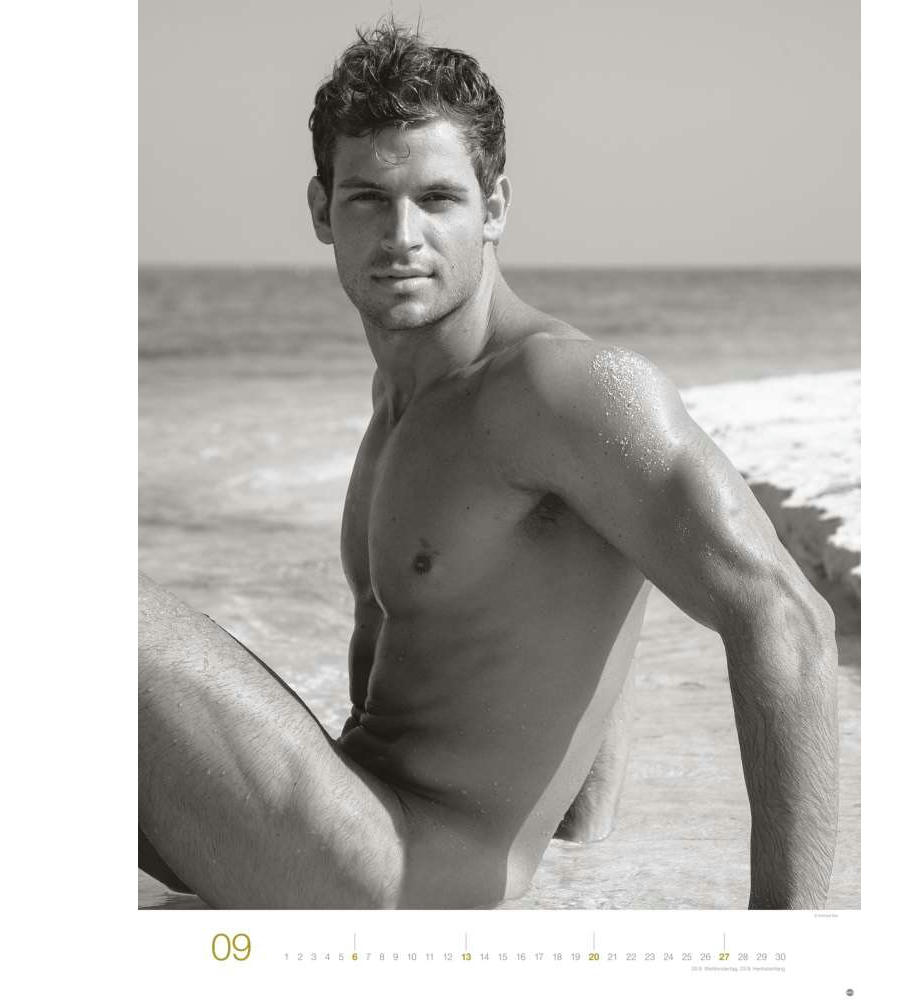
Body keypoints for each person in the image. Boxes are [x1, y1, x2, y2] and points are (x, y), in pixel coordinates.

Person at [139, 20, 839, 909]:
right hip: (347, 814)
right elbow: (584, 581)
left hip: (406, 870)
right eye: (367, 199)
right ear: (321, 210)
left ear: (495, 206)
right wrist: (586, 838)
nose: (402, 234)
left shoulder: (560, 387)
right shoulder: (404, 397)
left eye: (438, 198)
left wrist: (787, 945)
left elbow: (787, 619)